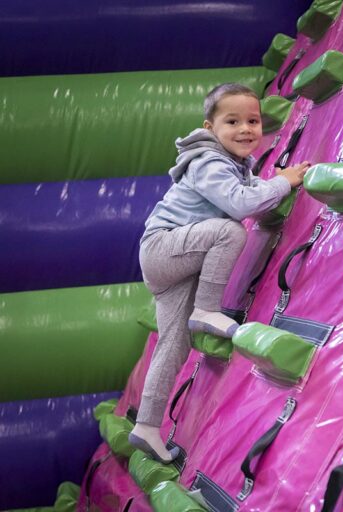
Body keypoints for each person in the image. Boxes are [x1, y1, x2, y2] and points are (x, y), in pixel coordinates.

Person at [129, 83, 310, 463]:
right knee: (229, 230)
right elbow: (240, 204)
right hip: (164, 249)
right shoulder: (209, 162)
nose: (246, 129)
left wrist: (274, 183)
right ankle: (206, 310)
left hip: (176, 261)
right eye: (233, 121)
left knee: (173, 345)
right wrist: (283, 182)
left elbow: (249, 192)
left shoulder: (233, 164)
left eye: (253, 121)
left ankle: (147, 425)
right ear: (210, 128)